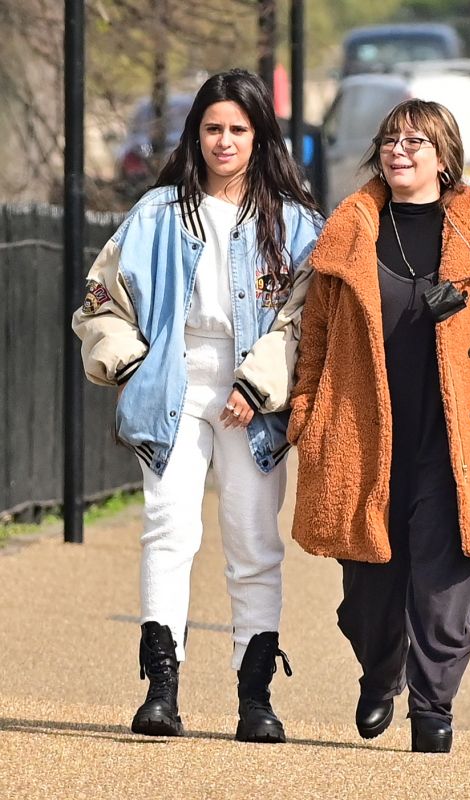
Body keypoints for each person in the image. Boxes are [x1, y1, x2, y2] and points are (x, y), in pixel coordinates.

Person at [73, 68, 323, 743]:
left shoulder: (296, 224)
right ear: (196, 135)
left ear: (258, 136)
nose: (223, 140)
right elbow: (99, 302)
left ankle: (255, 699)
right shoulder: (156, 213)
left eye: (237, 129)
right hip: (172, 387)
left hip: (254, 398)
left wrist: (256, 384)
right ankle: (162, 689)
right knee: (168, 526)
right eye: (212, 128)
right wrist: (126, 365)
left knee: (252, 543)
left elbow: (306, 321)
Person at [287, 99, 470, 753]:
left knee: (443, 581)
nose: (399, 150)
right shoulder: (350, 234)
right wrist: (307, 413)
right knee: (367, 593)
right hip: (363, 436)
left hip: (456, 442)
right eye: (390, 139)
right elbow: (314, 337)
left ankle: (433, 709)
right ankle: (380, 671)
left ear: (443, 155)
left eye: (416, 140)